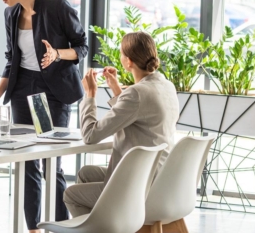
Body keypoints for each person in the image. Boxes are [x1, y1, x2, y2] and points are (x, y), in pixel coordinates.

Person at [0, 0, 88, 232]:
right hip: (22, 89)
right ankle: (32, 228)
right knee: (25, 160)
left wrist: (57, 54)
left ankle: (60, 226)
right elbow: (11, 60)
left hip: (52, 91)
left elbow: (83, 47)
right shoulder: (11, 15)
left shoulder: (56, 7)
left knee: (50, 161)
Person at [63, 31, 179, 217]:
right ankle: (109, 223)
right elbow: (139, 116)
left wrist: (91, 95)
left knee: (71, 195)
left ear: (129, 61)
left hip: (139, 184)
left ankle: (105, 224)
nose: (120, 57)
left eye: (121, 53)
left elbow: (91, 136)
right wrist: (116, 89)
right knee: (86, 173)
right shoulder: (166, 86)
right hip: (159, 176)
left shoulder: (136, 94)